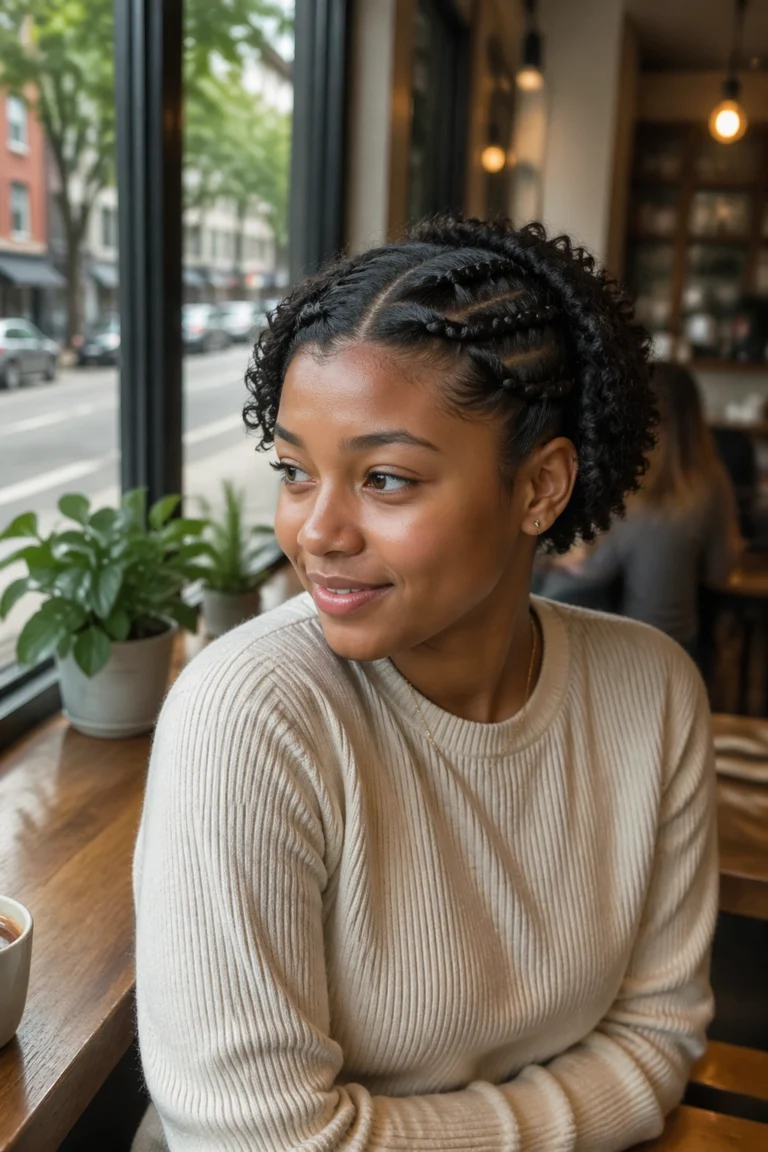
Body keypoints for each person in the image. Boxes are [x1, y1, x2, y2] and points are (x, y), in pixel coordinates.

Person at [132, 217, 717, 1152]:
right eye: (293, 471)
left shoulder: (653, 696)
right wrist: (571, 1110)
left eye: (387, 479)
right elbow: (258, 1143)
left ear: (540, 487)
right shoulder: (248, 714)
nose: (317, 532)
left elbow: (655, 1043)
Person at [538, 361, 742, 662]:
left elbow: (589, 565)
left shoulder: (623, 479)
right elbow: (721, 571)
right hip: (680, 647)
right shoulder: (712, 481)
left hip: (609, 650)